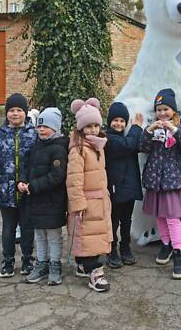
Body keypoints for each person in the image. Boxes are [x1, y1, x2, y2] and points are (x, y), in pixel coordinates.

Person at [139, 88, 181, 280]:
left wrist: (174, 130)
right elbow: (143, 147)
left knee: (172, 217)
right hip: (155, 180)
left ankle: (179, 252)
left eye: (166, 109)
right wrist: (148, 131)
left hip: (172, 181)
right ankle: (166, 244)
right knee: (160, 216)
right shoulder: (152, 127)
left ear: (173, 110)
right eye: (159, 109)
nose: (162, 114)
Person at [0, 93, 38, 278]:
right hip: (4, 193)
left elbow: (38, 163)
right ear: (6, 113)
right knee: (8, 228)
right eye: (11, 110)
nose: (15, 114)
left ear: (26, 113)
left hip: (27, 192)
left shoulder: (33, 134)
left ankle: (28, 260)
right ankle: (7, 261)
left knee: (28, 227)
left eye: (19, 110)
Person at [67, 98, 114, 292]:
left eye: (96, 125)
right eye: (89, 126)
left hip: (100, 199)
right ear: (81, 128)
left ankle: (82, 264)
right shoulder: (78, 149)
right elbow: (74, 178)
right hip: (86, 203)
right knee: (89, 238)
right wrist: (78, 203)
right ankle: (95, 272)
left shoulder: (97, 146)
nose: (93, 129)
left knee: (93, 236)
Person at [18, 107, 68, 285]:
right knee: (39, 235)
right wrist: (22, 181)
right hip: (35, 201)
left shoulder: (59, 148)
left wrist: (33, 186)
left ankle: (55, 265)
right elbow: (26, 167)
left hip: (52, 202)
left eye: (45, 126)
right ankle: (41, 264)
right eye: (39, 127)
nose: (41, 129)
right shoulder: (36, 146)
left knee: (53, 236)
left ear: (55, 127)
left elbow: (57, 176)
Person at [105, 102, 144, 268]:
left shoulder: (127, 137)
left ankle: (125, 247)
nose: (119, 124)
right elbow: (128, 145)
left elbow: (136, 145)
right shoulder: (109, 139)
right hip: (115, 188)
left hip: (129, 186)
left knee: (127, 219)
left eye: (122, 121)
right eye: (115, 120)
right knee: (114, 221)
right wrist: (136, 127)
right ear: (109, 122)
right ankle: (111, 250)